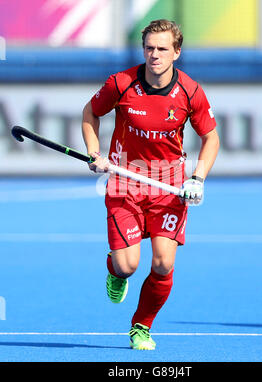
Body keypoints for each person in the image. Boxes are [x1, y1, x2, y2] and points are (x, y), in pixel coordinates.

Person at [81, 19, 219, 350]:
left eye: (162, 49)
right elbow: (90, 112)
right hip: (125, 183)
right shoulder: (121, 83)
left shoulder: (190, 91)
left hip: (169, 187)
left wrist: (197, 178)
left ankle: (141, 326)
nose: (154, 54)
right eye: (149, 48)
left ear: (176, 52)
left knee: (163, 263)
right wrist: (94, 152)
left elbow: (210, 138)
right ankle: (114, 270)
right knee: (127, 266)